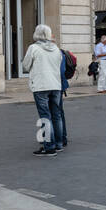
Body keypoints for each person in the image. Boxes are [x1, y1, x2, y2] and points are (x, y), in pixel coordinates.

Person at [21, 24, 66, 156]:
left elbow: (25, 65)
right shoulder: (56, 49)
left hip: (41, 85)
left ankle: (49, 147)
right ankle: (58, 144)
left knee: (45, 116)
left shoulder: (33, 48)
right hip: (55, 85)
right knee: (56, 116)